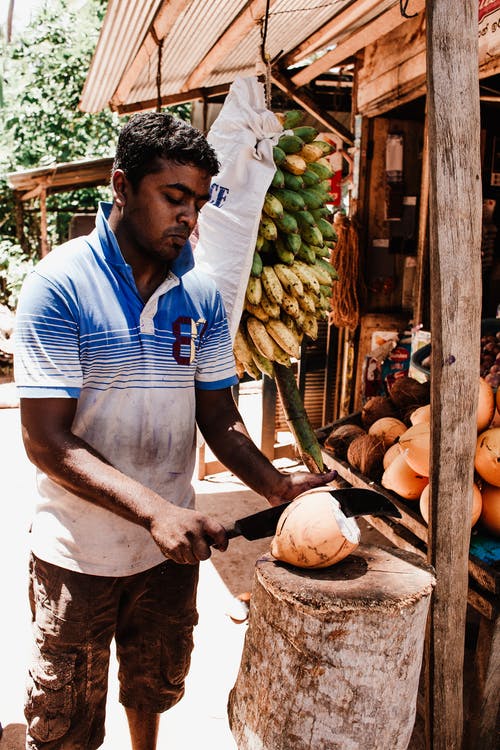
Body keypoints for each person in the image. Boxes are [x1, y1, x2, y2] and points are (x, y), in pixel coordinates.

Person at [14, 112, 336, 750]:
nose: (189, 217)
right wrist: (155, 509)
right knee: (65, 721)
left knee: (153, 686)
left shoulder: (203, 293)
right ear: (122, 186)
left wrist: (274, 484)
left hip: (170, 551)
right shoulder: (61, 285)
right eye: (173, 197)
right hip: (79, 552)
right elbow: (44, 440)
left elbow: (217, 414)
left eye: (198, 201)